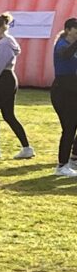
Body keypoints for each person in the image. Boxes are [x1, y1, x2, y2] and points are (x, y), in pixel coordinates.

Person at [0, 13, 34, 160]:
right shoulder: (7, 42)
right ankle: (26, 147)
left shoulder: (4, 44)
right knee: (8, 115)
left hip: (3, 80)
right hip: (8, 79)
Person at [51, 18, 77, 176]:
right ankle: (62, 166)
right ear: (68, 30)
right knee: (69, 128)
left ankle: (73, 158)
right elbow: (66, 55)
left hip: (73, 89)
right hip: (62, 91)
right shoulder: (61, 45)